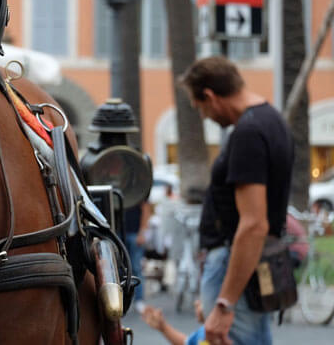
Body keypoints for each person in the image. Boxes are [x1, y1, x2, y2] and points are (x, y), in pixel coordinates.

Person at [179, 56, 294, 345]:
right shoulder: (273, 121)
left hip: (237, 264)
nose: (204, 116)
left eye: (200, 107)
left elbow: (254, 223)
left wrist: (224, 303)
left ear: (210, 96)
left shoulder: (248, 133)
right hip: (251, 265)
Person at [124, 200, 152, 310]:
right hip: (120, 232)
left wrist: (142, 232)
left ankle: (139, 299)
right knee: (120, 269)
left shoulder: (138, 186)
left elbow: (146, 208)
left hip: (134, 233)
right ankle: (125, 299)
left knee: (136, 267)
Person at [140, 301, 207, 345]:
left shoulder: (214, 335)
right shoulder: (205, 332)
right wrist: (163, 327)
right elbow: (188, 342)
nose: (197, 303)